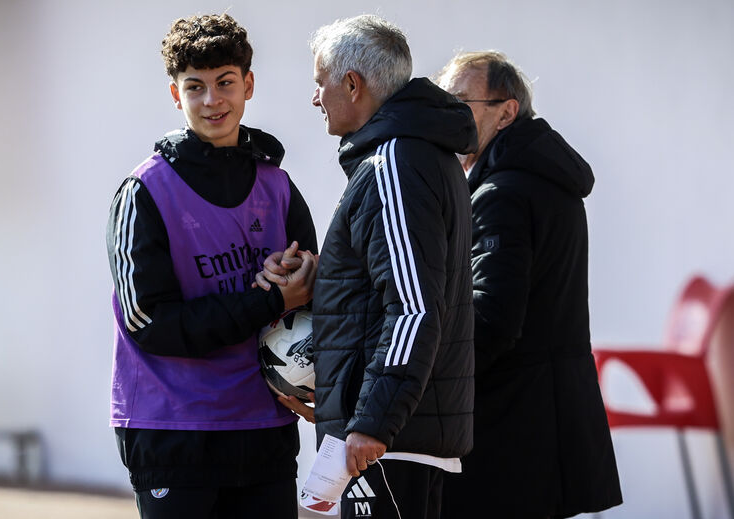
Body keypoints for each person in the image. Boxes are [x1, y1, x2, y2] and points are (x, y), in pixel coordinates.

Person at [259, 15, 477, 519]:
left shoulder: (394, 164)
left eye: (321, 82)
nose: (315, 98)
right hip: (395, 433)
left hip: (387, 441)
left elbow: (413, 308)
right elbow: (398, 285)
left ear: (353, 85)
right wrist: (323, 276)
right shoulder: (416, 156)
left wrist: (374, 420)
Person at [105, 13, 317, 519]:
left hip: (264, 426)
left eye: (225, 83)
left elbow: (311, 301)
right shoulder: (143, 192)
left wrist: (296, 277)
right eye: (194, 87)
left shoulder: (278, 186)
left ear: (248, 85)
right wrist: (265, 300)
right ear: (175, 95)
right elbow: (149, 323)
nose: (211, 100)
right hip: (173, 431)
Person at [435, 51, 622, 518]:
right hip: (548, 421)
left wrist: (431, 384)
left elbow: (492, 318)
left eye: (461, 102)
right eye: (444, 102)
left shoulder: (503, 194)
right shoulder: (539, 179)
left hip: (514, 430)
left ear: (506, 112)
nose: (449, 115)